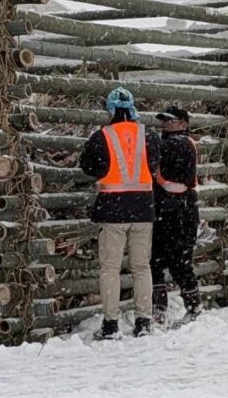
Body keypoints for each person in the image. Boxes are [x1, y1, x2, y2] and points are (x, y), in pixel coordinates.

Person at [80, 87, 161, 339]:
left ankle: (111, 323)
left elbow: (89, 168)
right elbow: (155, 164)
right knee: (141, 267)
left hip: (112, 209)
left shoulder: (101, 137)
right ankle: (143, 321)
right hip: (143, 209)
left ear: (111, 109)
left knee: (110, 269)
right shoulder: (148, 136)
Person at [151, 105, 200, 324]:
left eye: (171, 121)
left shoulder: (181, 144)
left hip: (180, 212)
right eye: (165, 121)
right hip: (165, 210)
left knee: (180, 262)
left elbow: (164, 159)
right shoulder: (166, 144)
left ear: (184, 124)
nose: (167, 124)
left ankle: (193, 307)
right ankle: (159, 307)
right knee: (155, 260)